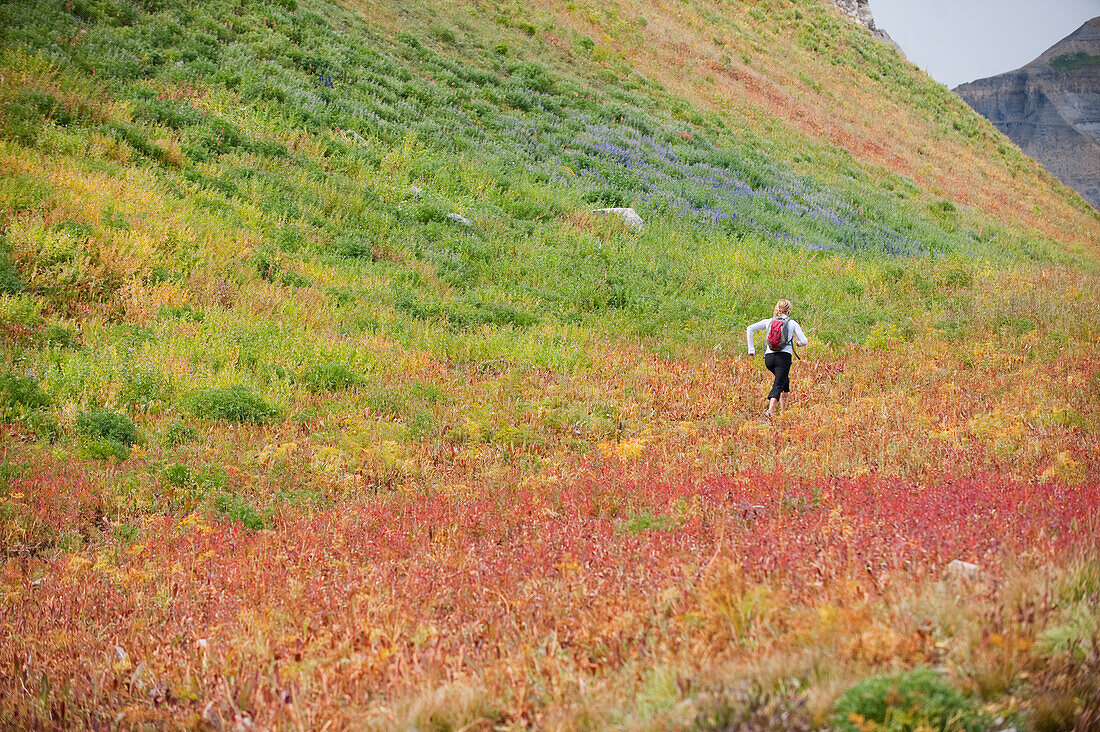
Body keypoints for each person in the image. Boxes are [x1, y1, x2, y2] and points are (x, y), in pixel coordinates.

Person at [746, 299, 808, 418]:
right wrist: (799, 344)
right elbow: (805, 341)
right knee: (778, 384)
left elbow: (750, 328)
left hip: (769, 358)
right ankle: (770, 411)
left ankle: (783, 412)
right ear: (789, 310)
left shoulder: (768, 321)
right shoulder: (792, 323)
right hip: (783, 358)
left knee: (785, 381)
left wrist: (751, 349)